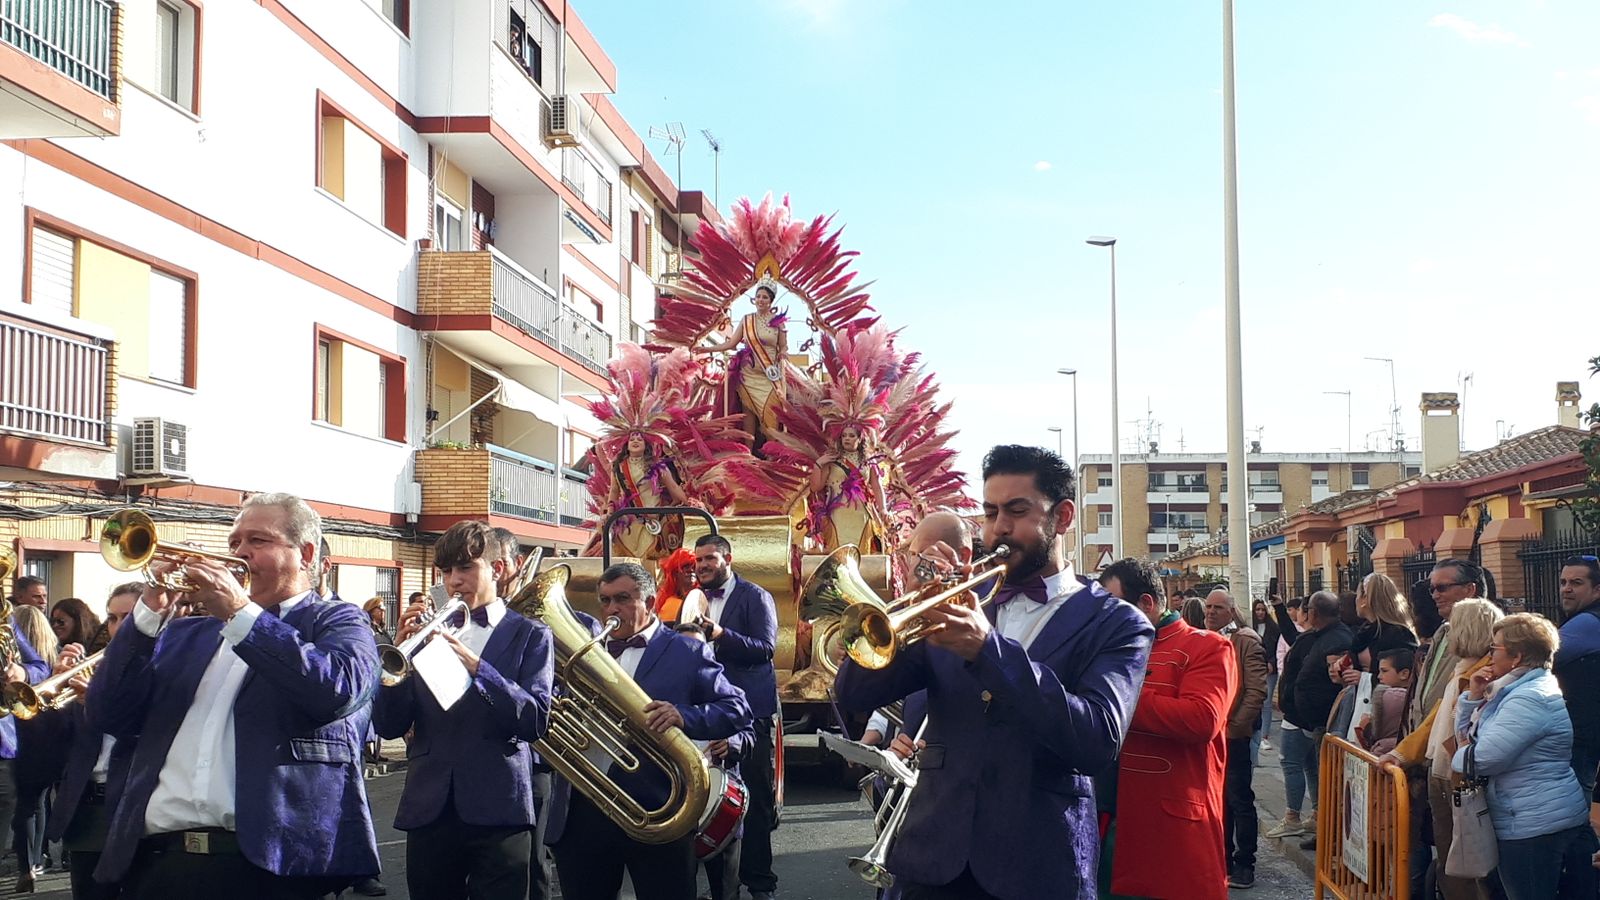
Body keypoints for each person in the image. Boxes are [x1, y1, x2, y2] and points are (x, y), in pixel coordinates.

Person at [834, 444, 1154, 899]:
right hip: (931, 863)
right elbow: (853, 694)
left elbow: (1097, 741)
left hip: (1038, 866)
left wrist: (988, 649)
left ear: (1062, 518)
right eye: (990, 512)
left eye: (1017, 511)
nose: (999, 527)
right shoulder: (956, 604)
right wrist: (904, 604)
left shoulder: (1118, 623)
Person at [85, 492, 382, 898]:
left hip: (269, 866)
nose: (240, 553)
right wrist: (148, 614)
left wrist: (241, 615)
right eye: (234, 543)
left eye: (258, 541)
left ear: (306, 553)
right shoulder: (185, 633)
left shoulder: (337, 620)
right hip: (161, 863)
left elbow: (336, 691)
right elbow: (109, 714)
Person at [544, 562, 752, 900]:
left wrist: (683, 716)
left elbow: (738, 709)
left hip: (659, 806)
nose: (612, 609)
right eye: (606, 601)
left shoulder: (687, 651)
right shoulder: (585, 650)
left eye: (623, 599)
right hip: (584, 811)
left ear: (651, 602)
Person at [375, 521, 554, 900]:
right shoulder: (426, 635)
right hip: (430, 805)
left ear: (498, 569)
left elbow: (534, 720)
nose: (454, 581)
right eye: (447, 571)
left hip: (499, 803)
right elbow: (389, 726)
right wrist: (398, 662)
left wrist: (479, 668)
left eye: (466, 568)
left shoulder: (531, 634)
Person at [1104, 560, 1234, 900]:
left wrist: (1119, 694)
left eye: (1113, 606)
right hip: (1106, 820)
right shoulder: (1107, 649)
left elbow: (1201, 718)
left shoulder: (1207, 646)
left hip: (1170, 829)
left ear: (1147, 603)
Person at [1452, 613, 1597, 900]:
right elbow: (1468, 737)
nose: (1489, 654)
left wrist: (1460, 755)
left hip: (1533, 824)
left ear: (1516, 657)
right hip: (1527, 814)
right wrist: (1472, 697)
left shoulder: (1528, 698)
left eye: (1495, 648)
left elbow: (1483, 758)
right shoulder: (1514, 690)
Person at [1379, 598, 1503, 900]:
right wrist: (1401, 754)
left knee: (1466, 867)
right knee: (1451, 862)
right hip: (1444, 772)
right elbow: (1434, 721)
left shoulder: (1485, 675)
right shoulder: (1464, 669)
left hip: (1459, 777)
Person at [691, 534, 780, 900]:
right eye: (699, 560)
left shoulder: (756, 596)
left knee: (754, 801)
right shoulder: (693, 598)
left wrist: (720, 633)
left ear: (728, 558)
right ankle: (719, 886)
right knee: (708, 797)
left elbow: (766, 649)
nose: (703, 565)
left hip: (751, 715)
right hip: (710, 711)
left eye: (710, 558)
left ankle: (760, 883)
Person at [48, 582, 140, 900]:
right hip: (86, 812)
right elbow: (54, 745)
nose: (118, 627)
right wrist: (54, 687)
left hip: (133, 811)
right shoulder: (97, 668)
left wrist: (97, 704)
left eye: (129, 617)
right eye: (112, 618)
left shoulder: (164, 668)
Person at [487, 525, 558, 900]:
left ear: (514, 565)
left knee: (531, 863)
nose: (495, 573)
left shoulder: (542, 623)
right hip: (483, 765)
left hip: (534, 758)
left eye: (498, 564)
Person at [1268, 591, 1352, 849]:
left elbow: (1335, 680)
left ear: (1314, 613)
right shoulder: (1317, 636)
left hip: (1324, 721)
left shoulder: (1337, 638)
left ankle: (1327, 835)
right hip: (1308, 720)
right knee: (1315, 772)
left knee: (1325, 778)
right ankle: (1323, 829)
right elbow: (1294, 639)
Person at [1204, 588, 1267, 889]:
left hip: (1234, 736)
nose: (1211, 612)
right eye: (1208, 607)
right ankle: (1223, 859)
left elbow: (1256, 691)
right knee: (1219, 801)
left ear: (1231, 611)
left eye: (1218, 607)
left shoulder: (1245, 641)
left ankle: (1245, 863)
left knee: (1239, 800)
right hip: (1210, 735)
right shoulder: (1205, 637)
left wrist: (1234, 728)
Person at [699, 282, 788, 447]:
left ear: (771, 301)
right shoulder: (747, 320)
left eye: (765, 297)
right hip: (748, 374)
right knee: (749, 413)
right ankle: (747, 451)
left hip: (770, 376)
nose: (761, 300)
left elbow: (783, 346)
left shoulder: (779, 323)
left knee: (771, 414)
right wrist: (707, 348)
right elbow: (731, 344)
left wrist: (783, 354)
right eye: (758, 296)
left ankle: (772, 454)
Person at [11, 605, 62, 889]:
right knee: (37, 803)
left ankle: (25, 865)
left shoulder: (16, 641)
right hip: (43, 736)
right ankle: (36, 860)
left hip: (24, 733)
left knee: (25, 804)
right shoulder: (55, 650)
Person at [1553, 555, 1600, 798]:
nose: (1566, 589)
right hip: (1585, 735)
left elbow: (1538, 654)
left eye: (1576, 582)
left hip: (1583, 739)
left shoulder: (1588, 622)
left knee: (1575, 812)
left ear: (1597, 589)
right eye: (1563, 582)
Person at [602, 432, 690, 560]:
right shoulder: (618, 467)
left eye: (640, 439)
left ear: (646, 445)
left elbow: (674, 488)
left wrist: (688, 503)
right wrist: (609, 512)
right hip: (629, 523)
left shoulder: (657, 466)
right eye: (632, 439)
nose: (635, 441)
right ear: (627, 445)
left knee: (650, 560)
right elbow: (614, 491)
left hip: (654, 521)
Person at [806, 424, 889, 553]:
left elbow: (877, 487)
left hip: (862, 514)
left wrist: (883, 509)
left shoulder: (869, 462)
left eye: (851, 436)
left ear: (860, 439)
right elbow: (816, 487)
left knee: (861, 552)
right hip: (837, 514)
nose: (847, 439)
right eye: (844, 436)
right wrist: (818, 464)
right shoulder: (831, 460)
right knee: (838, 553)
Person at [1361, 648, 1414, 756]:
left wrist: (1367, 724)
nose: (1379, 676)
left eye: (1384, 671)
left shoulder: (1394, 697)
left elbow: (1375, 730)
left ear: (1404, 674)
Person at [1253, 599, 1281, 750]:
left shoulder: (1274, 628)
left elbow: (1278, 647)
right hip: (1255, 668)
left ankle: (1265, 736)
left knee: (1267, 702)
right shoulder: (1251, 628)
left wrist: (1272, 662)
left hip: (1270, 669)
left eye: (1262, 610)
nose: (1260, 612)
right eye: (1257, 609)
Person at [653, 548, 699, 625]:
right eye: (686, 567)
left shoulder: (703, 597)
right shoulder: (664, 599)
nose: (691, 570)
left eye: (694, 567)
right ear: (675, 572)